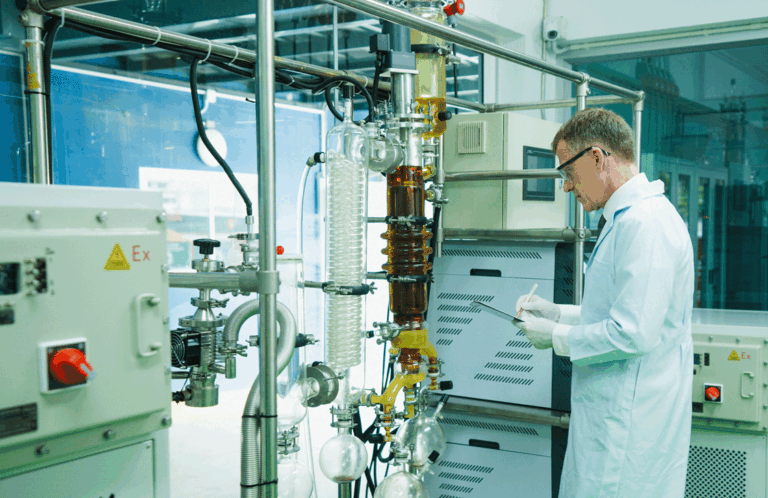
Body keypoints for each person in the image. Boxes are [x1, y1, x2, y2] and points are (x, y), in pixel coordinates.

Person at [515, 108, 694, 498]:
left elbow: (633, 333)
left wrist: (556, 336)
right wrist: (558, 313)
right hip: (614, 418)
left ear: (597, 157)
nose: (565, 187)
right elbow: (623, 311)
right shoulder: (628, 219)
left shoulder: (644, 224)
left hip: (627, 432)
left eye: (567, 172)